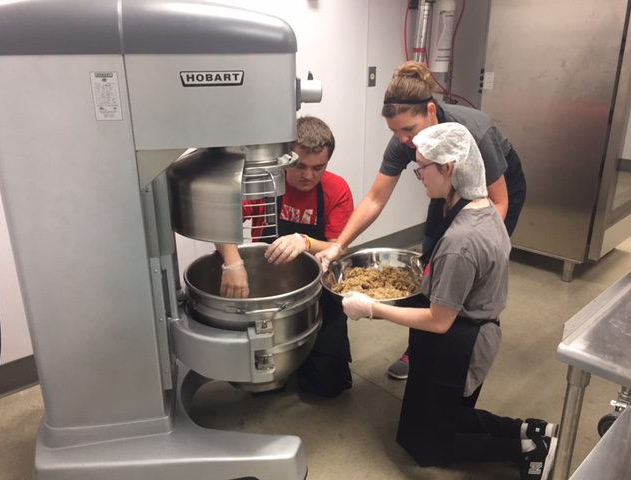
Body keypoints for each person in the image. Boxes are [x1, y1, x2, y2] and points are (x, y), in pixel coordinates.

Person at [342, 122, 556, 480]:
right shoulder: (481, 207)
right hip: (464, 328)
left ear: (449, 168)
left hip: (460, 341)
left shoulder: (462, 242)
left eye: (422, 167)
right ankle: (526, 428)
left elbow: (440, 320)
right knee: (427, 421)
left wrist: (372, 308)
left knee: (430, 446)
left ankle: (526, 449)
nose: (419, 176)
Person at [316, 61, 526, 380]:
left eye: (408, 130)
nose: (403, 140)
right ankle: (422, 345)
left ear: (431, 110)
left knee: (460, 267)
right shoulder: (404, 142)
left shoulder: (473, 130)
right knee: (431, 261)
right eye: (395, 132)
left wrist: (466, 246)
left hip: (495, 189)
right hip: (450, 192)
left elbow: (499, 201)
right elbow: (375, 199)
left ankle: (461, 347)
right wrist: (337, 246)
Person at [216, 116, 354, 397]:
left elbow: (339, 246)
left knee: (326, 388)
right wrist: (233, 263)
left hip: (318, 292)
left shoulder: (336, 190)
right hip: (269, 294)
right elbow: (220, 221)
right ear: (284, 159)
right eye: (299, 166)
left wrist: (303, 241)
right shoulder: (263, 184)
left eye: (318, 168)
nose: (308, 176)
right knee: (263, 385)